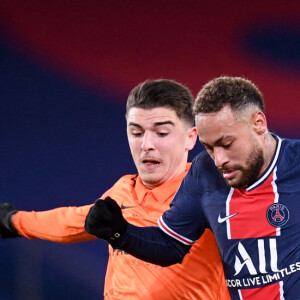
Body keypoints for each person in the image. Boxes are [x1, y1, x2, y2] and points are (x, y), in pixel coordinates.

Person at [0, 79, 230, 299]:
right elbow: (72, 221)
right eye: (137, 132)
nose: (146, 145)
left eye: (161, 133)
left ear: (191, 138)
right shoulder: (122, 191)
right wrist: (13, 221)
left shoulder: (214, 192)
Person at [84, 76, 300, 300]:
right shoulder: (204, 174)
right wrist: (119, 232)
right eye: (209, 147)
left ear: (258, 123)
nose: (219, 159)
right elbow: (170, 245)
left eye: (226, 144)